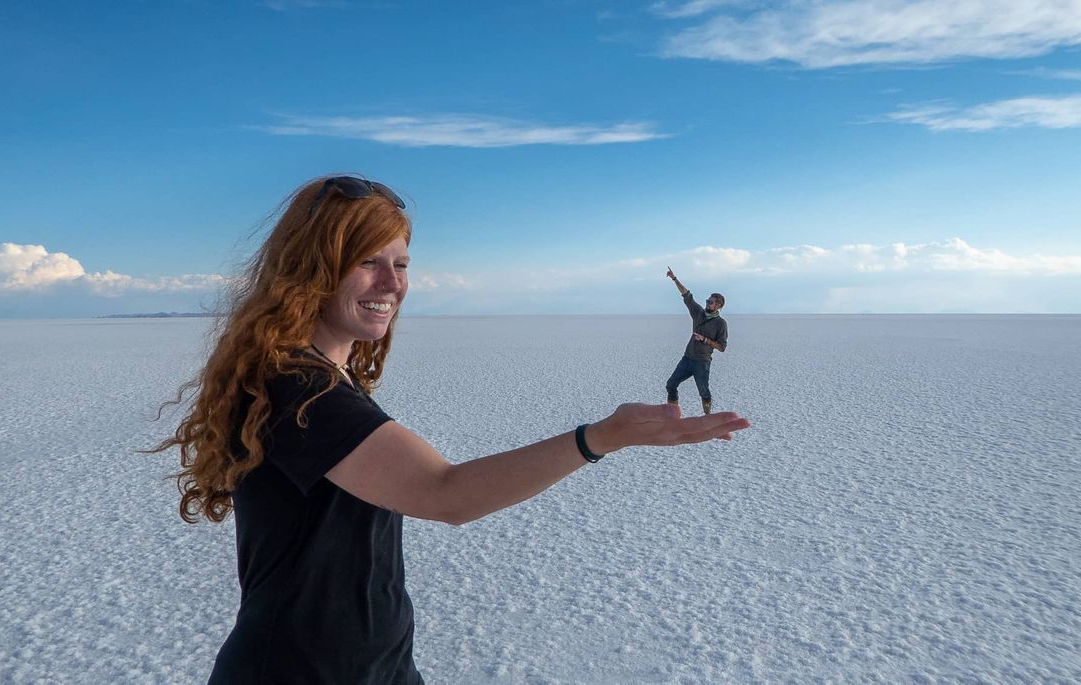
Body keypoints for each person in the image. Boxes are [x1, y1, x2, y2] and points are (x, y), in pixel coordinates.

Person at [152, 175, 750, 684]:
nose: (392, 284)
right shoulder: (300, 390)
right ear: (310, 271)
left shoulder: (321, 375)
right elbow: (446, 493)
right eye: (367, 262)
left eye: (401, 264)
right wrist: (601, 437)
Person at [663, 266, 728, 415]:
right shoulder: (698, 313)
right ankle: (673, 414)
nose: (707, 303)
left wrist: (705, 339)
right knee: (671, 385)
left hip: (702, 362)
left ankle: (708, 416)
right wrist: (674, 278)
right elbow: (686, 295)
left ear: (718, 306)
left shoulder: (721, 323)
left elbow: (722, 347)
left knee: (704, 393)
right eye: (707, 301)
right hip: (687, 359)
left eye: (711, 302)